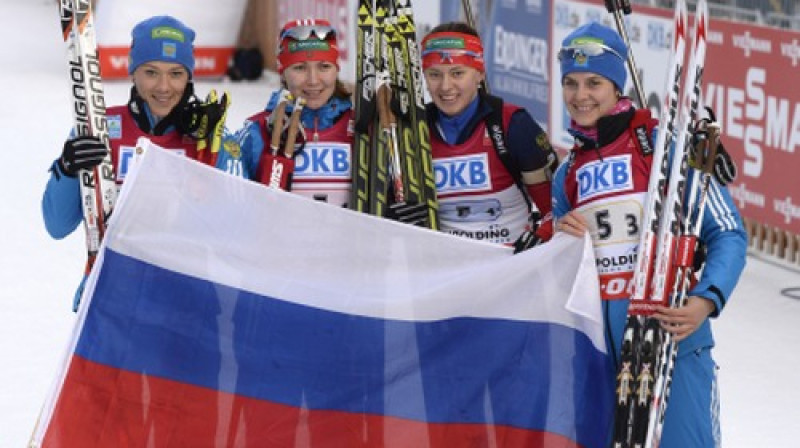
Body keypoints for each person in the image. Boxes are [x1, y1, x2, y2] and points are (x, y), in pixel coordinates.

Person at [551, 22, 747, 447]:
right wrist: (559, 240)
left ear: (617, 86)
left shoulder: (663, 149)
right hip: (602, 356)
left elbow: (728, 232)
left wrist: (706, 299)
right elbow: (560, 267)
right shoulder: (568, 174)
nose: (580, 95)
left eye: (594, 82)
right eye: (571, 82)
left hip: (670, 342)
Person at [42, 15, 234, 310]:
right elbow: (57, 226)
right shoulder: (100, 127)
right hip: (111, 301)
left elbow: (232, 232)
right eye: (151, 72)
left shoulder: (209, 139)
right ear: (133, 71)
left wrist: (221, 159)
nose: (164, 87)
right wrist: (67, 170)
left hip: (186, 306)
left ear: (189, 77)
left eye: (176, 74)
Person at [420, 22, 558, 247]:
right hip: (446, 271)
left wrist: (538, 237)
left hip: (510, 267)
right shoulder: (414, 131)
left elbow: (555, 210)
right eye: (435, 74)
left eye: (457, 73)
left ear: (480, 74)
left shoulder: (512, 124)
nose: (445, 86)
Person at [227, 18, 355, 207]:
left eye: (324, 67)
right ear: (282, 72)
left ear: (336, 69)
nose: (313, 80)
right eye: (299, 68)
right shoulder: (257, 131)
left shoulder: (361, 129)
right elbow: (230, 202)